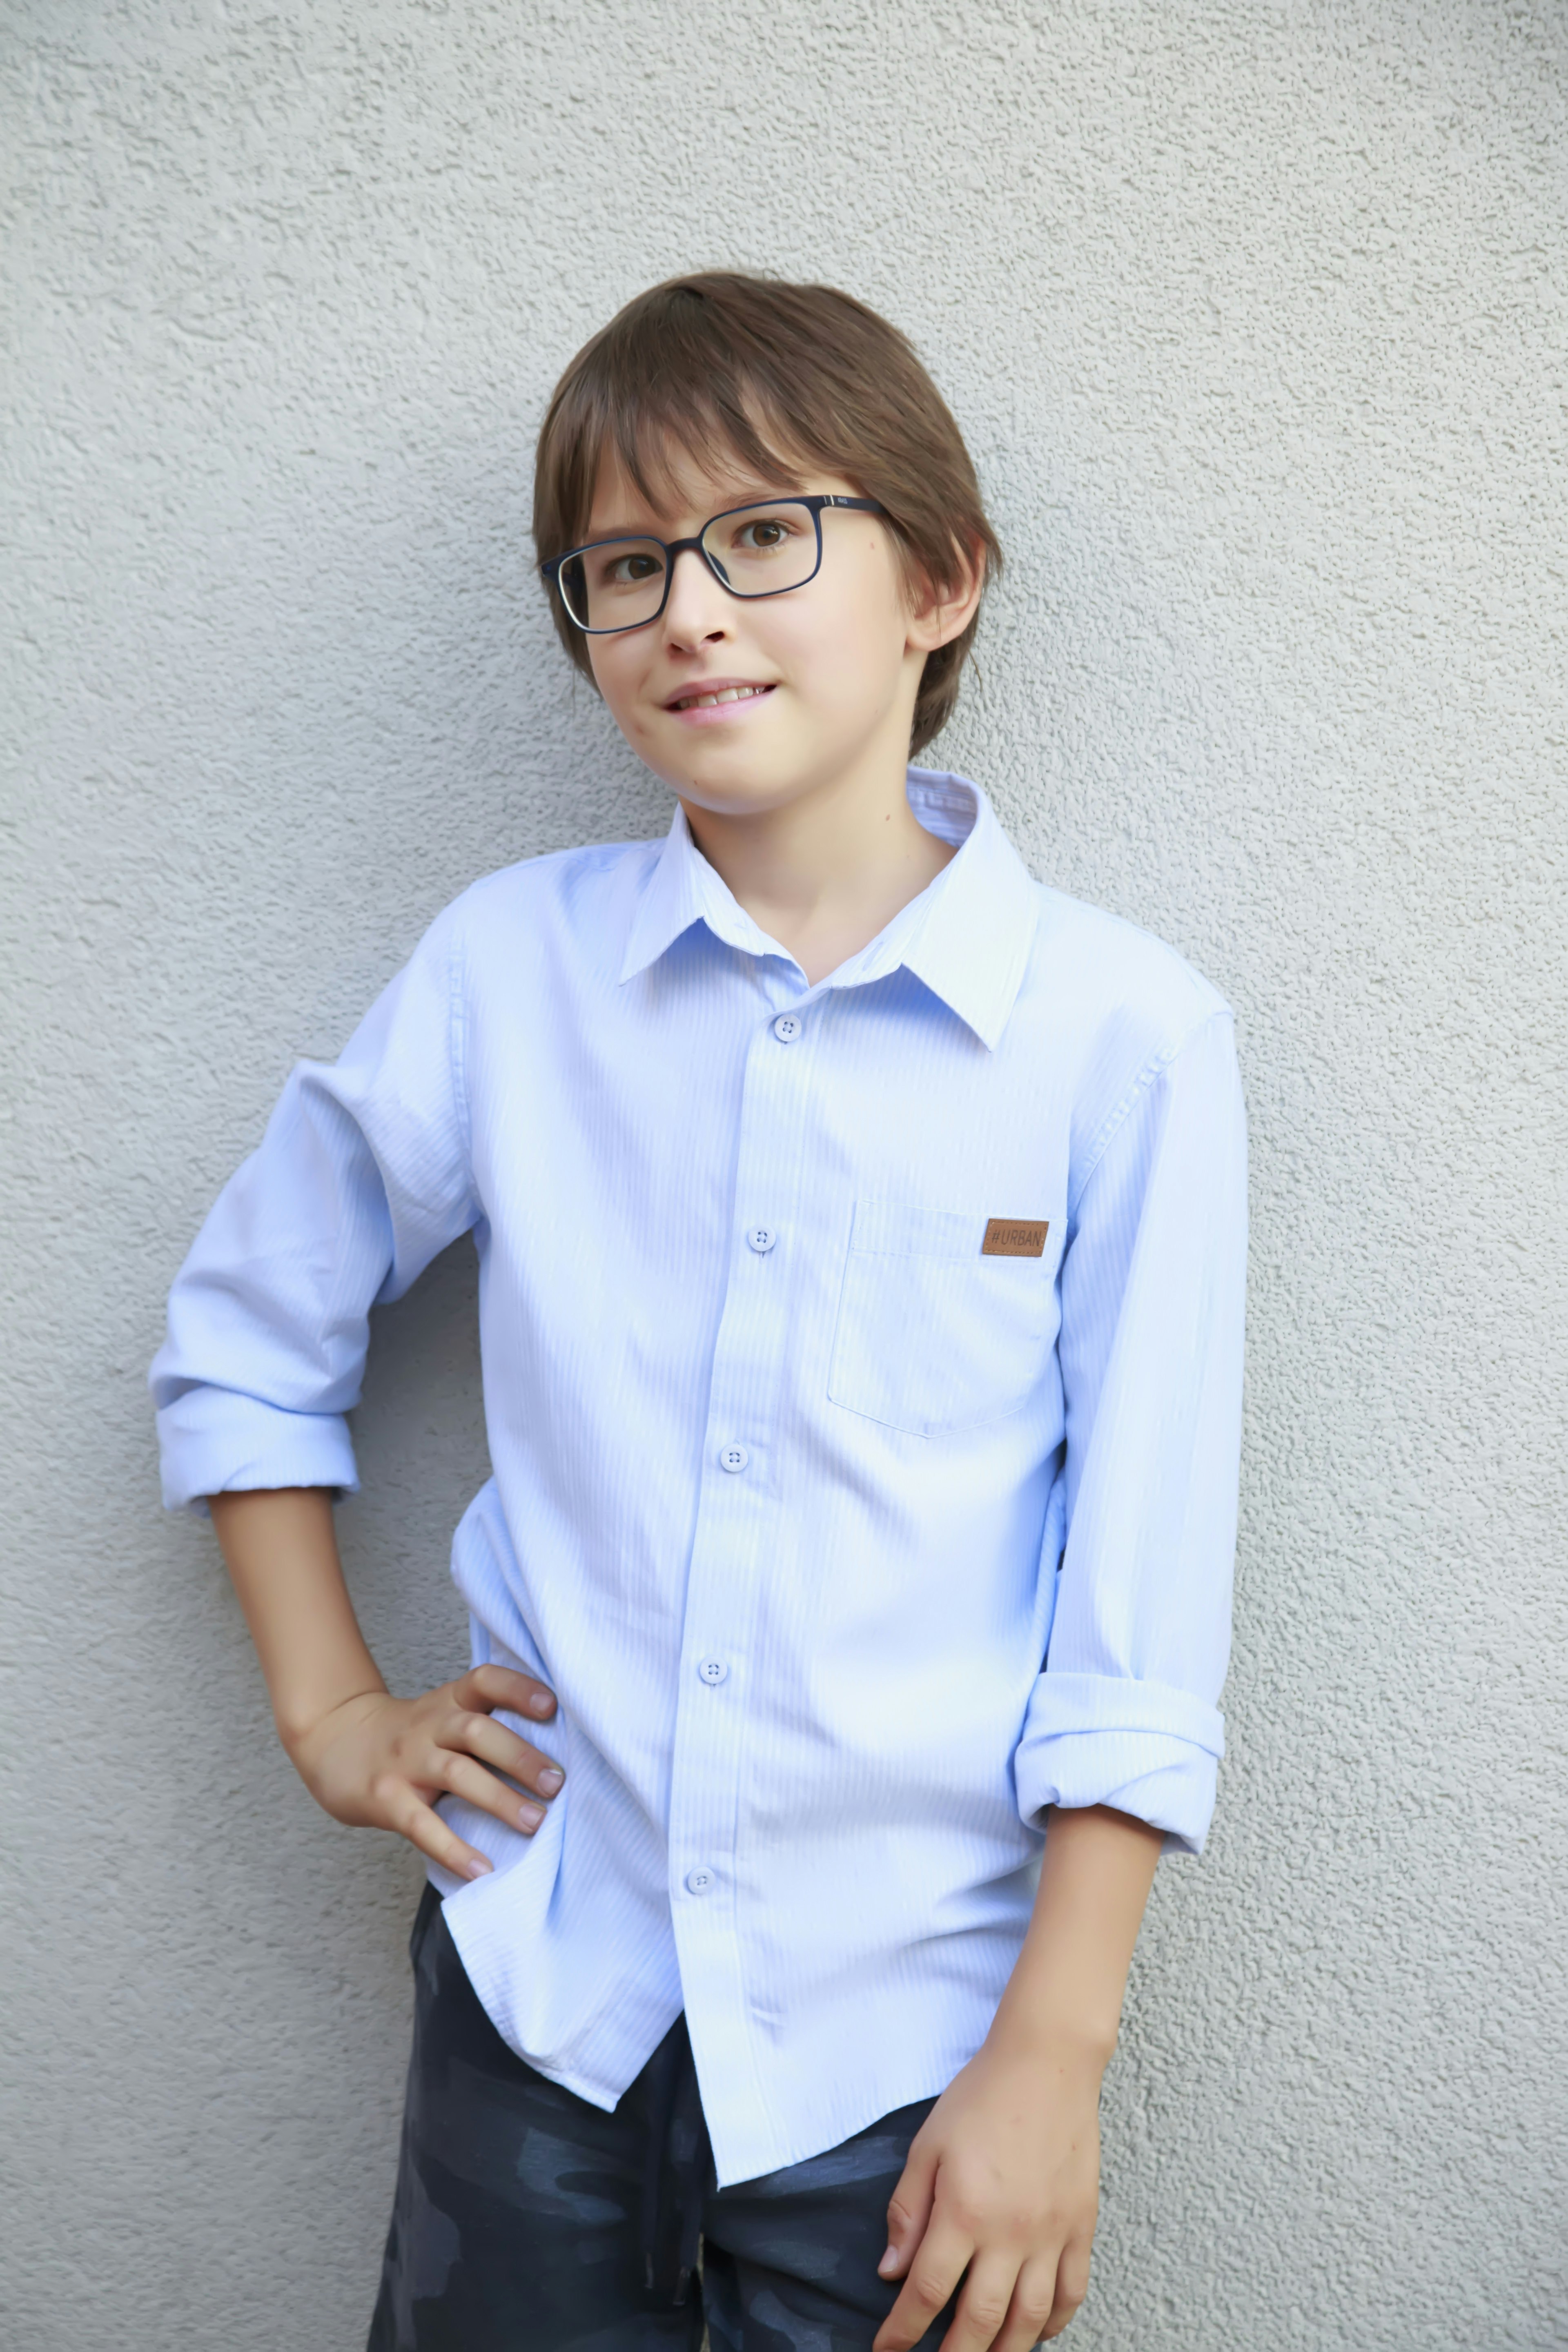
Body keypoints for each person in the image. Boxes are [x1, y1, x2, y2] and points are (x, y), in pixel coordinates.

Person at [151, 271, 1247, 2352]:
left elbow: (1142, 1598)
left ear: (940, 581)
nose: (689, 609)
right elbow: (246, 1334)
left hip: (917, 2055)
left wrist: (1057, 2054)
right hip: (543, 2000)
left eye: (762, 535)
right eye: (626, 564)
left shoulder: (1124, 1040)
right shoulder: (510, 974)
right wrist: (333, 1715)